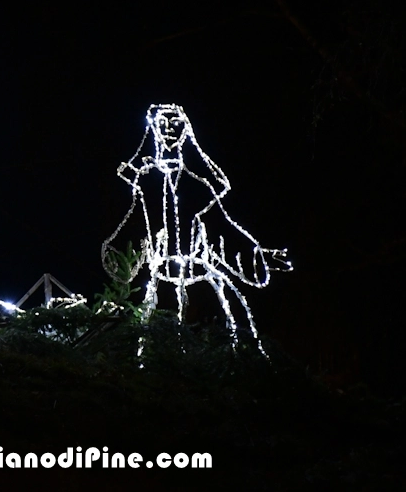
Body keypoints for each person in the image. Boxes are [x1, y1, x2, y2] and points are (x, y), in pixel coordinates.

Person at [102, 104, 292, 355]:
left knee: (218, 341)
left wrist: (259, 257)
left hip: (200, 281)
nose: (169, 128)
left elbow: (222, 230)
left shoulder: (196, 186)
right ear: (154, 129)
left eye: (176, 123)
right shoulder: (147, 183)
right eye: (162, 123)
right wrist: (118, 255)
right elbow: (135, 226)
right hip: (162, 282)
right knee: (155, 348)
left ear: (185, 130)